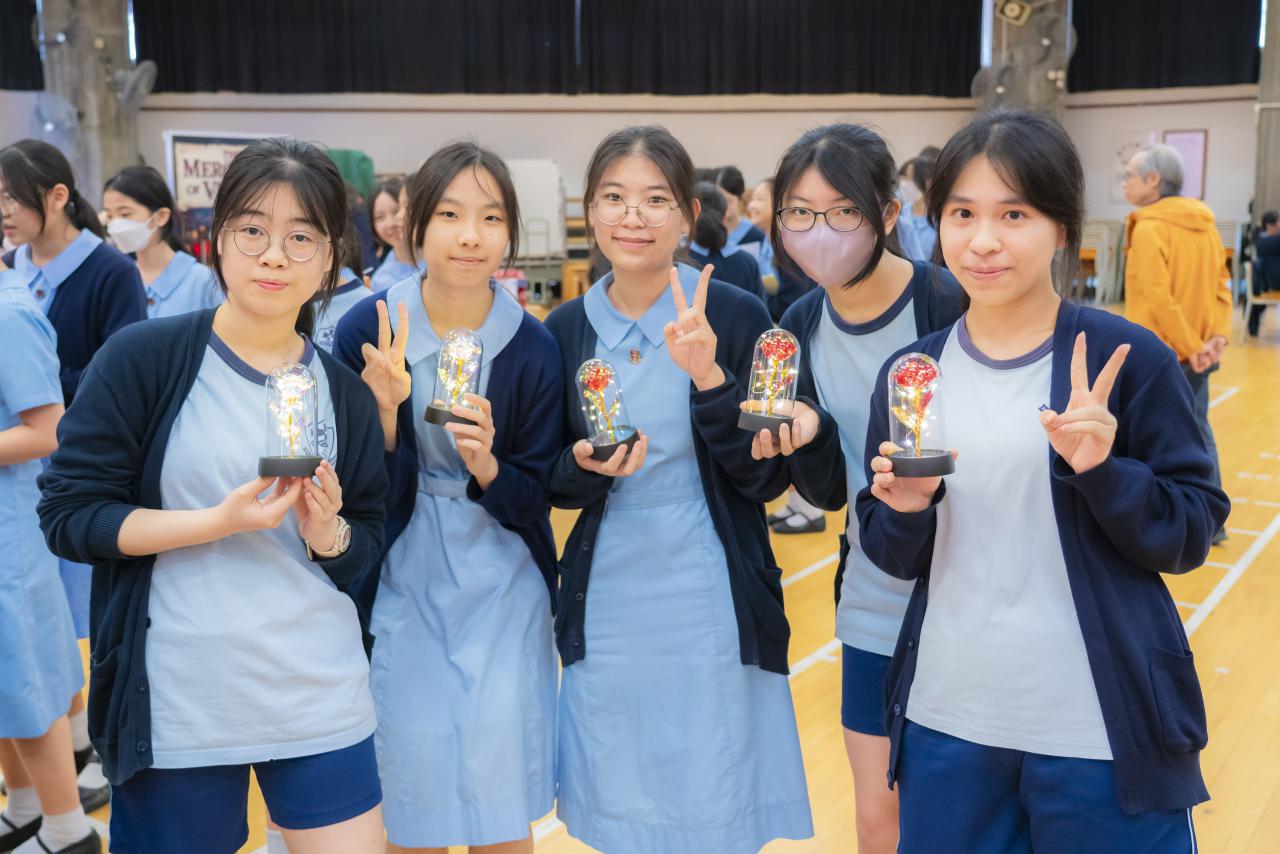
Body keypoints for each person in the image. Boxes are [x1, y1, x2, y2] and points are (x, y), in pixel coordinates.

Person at [858, 108, 1228, 853]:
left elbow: (1192, 528)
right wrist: (906, 510)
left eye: (1015, 214)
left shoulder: (1127, 359)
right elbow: (892, 552)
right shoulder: (914, 374)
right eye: (962, 213)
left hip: (1100, 732)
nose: (983, 240)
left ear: (1062, 228)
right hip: (949, 722)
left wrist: (1104, 473)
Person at [37, 138, 390, 854]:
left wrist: (331, 537)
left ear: (330, 256)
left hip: (319, 693)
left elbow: (367, 543)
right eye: (253, 230)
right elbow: (70, 515)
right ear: (218, 238)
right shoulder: (142, 359)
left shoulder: (345, 393)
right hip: (178, 703)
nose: (274, 256)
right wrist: (215, 522)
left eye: (301, 238)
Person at [545, 125, 813, 853]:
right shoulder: (564, 329)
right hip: (608, 594)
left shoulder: (736, 313)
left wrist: (712, 380)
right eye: (614, 198)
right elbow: (550, 481)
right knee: (621, 792)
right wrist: (583, 466)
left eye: (656, 199)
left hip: (710, 586)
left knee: (712, 787)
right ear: (590, 211)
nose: (633, 216)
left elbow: (764, 478)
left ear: (688, 216)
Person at [333, 142, 561, 854]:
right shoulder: (367, 328)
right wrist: (384, 418)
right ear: (415, 226)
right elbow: (351, 490)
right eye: (451, 215)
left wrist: (488, 464)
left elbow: (536, 497)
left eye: (491, 218)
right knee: (413, 786)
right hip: (400, 577)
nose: (470, 236)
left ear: (510, 232)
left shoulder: (532, 346)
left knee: (499, 798)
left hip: (503, 580)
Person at [749, 123, 965, 854]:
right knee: (878, 820)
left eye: (843, 211)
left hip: (965, 592)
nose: (820, 232)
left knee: (955, 817)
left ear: (888, 213)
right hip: (872, 596)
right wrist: (807, 432)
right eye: (799, 213)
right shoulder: (800, 323)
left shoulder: (944, 301)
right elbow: (831, 493)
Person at [1, 139, 148, 810]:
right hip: (31, 467)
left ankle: (97, 750)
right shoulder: (15, 268)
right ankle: (76, 750)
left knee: (86, 616)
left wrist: (38, 390)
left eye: (13, 196)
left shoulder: (109, 270)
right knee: (45, 626)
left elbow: (119, 370)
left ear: (57, 195)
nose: (5, 210)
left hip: (86, 461)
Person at [0, 268, 97, 854]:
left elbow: (48, 430)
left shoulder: (9, 315)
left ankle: (68, 831)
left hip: (8, 532)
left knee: (24, 677)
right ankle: (24, 804)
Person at [1122, 142, 1231, 544]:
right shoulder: (1206, 225)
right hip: (1199, 353)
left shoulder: (1149, 227)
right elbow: (1222, 285)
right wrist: (1215, 338)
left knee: (1148, 436)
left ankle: (1158, 520)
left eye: (1129, 176)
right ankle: (1212, 521)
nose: (1125, 184)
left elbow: (1158, 297)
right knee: (1198, 432)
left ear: (1153, 180)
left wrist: (1191, 345)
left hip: (1161, 354)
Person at [102, 165, 223, 318]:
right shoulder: (116, 279)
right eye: (110, 216)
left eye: (125, 214)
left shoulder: (204, 282)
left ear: (161, 217)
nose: (115, 225)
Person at [687, 181, 765, 301]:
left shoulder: (675, 262)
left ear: (689, 215)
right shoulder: (748, 263)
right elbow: (759, 310)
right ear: (724, 216)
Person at [368, 178, 421, 292]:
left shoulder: (439, 259)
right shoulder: (379, 282)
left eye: (397, 210)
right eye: (380, 217)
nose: (391, 223)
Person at [895, 156, 938, 263]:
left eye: (909, 179)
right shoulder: (901, 212)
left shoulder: (939, 221)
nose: (903, 184)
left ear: (928, 182)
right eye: (902, 179)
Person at [715, 165, 767, 252]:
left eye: (728, 201)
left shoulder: (755, 235)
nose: (723, 205)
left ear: (740, 200)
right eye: (719, 199)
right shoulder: (710, 233)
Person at [1248, 209, 1279, 336]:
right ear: (1271, 225)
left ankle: (1253, 325)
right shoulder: (1265, 240)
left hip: (1265, 281)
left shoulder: (1265, 239)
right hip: (1269, 282)